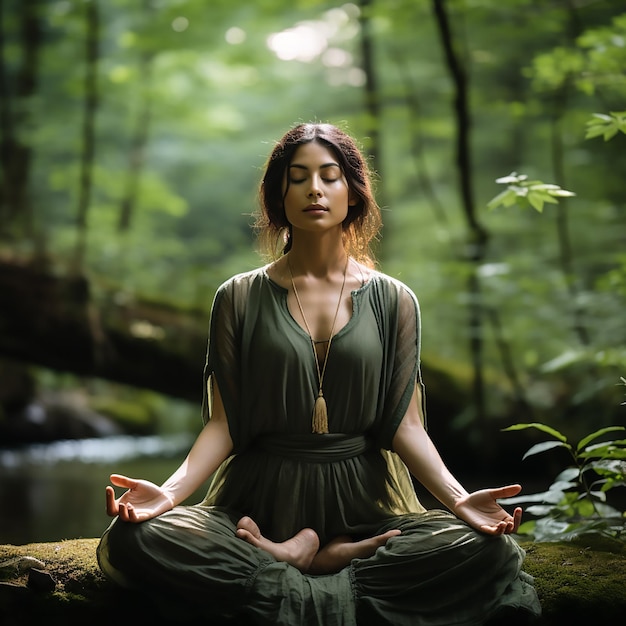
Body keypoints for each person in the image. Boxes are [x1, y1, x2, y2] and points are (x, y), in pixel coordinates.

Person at [97, 122, 541, 625]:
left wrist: (461, 501)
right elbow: (224, 423)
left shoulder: (395, 300)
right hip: (258, 498)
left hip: (366, 502)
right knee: (136, 537)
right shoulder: (238, 297)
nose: (314, 189)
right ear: (277, 195)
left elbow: (405, 424)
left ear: (353, 192)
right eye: (298, 177)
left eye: (330, 177)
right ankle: (302, 557)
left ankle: (324, 556)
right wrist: (171, 494)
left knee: (490, 551)